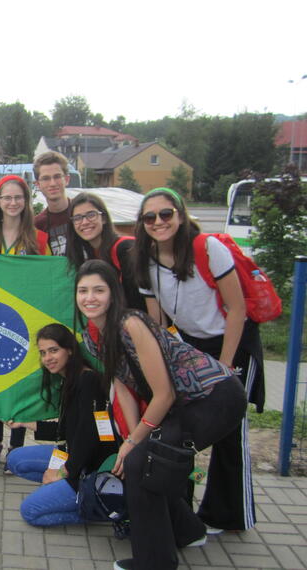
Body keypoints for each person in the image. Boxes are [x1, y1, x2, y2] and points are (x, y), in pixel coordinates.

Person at [75, 259, 247, 570]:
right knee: (143, 459)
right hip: (184, 404)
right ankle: (190, 531)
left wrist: (134, 445)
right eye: (83, 290)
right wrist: (130, 440)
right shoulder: (92, 336)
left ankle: (154, 562)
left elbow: (164, 393)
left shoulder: (131, 324)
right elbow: (124, 387)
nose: (90, 297)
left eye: (99, 290)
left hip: (216, 396)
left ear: (113, 293)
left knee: (143, 462)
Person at [132, 187, 260, 533]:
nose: (158, 222)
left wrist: (225, 366)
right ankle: (186, 514)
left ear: (180, 214)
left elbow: (237, 310)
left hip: (234, 342)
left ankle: (232, 516)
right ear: (142, 224)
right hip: (190, 346)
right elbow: (157, 324)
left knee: (231, 430)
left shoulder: (208, 248)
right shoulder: (145, 261)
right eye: (149, 217)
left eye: (166, 214)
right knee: (185, 429)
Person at [5, 324, 116, 526]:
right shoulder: (69, 381)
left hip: (91, 468)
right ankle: (60, 492)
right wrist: (23, 423)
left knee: (30, 512)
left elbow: (89, 439)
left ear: (70, 350)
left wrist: (63, 472)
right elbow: (64, 431)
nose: (48, 358)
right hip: (70, 453)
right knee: (15, 460)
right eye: (43, 353)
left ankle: (97, 509)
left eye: (54, 350)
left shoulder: (89, 381)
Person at [0, 174, 51, 471]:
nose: (12, 202)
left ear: (27, 201)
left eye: (18, 197)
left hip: (25, 322)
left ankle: (15, 448)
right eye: (6, 197)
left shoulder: (38, 238)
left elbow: (47, 278)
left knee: (20, 384)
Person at [65, 192, 145, 310]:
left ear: (104, 218)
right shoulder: (88, 256)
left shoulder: (125, 249)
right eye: (77, 218)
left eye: (91, 215)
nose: (85, 222)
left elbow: (141, 299)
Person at [33, 151, 71, 256]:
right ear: (37, 184)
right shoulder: (37, 225)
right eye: (46, 178)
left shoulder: (83, 214)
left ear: (67, 179)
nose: (52, 183)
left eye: (57, 176)